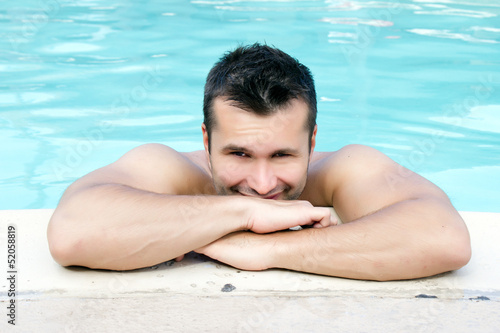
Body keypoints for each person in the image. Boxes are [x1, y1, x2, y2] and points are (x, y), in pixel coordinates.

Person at [47, 43, 471, 281]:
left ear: (313, 141)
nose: (263, 182)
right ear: (206, 140)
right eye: (239, 154)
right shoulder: (171, 169)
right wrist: (248, 212)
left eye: (283, 154)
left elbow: (444, 238)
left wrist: (264, 248)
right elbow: (73, 233)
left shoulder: (342, 169)